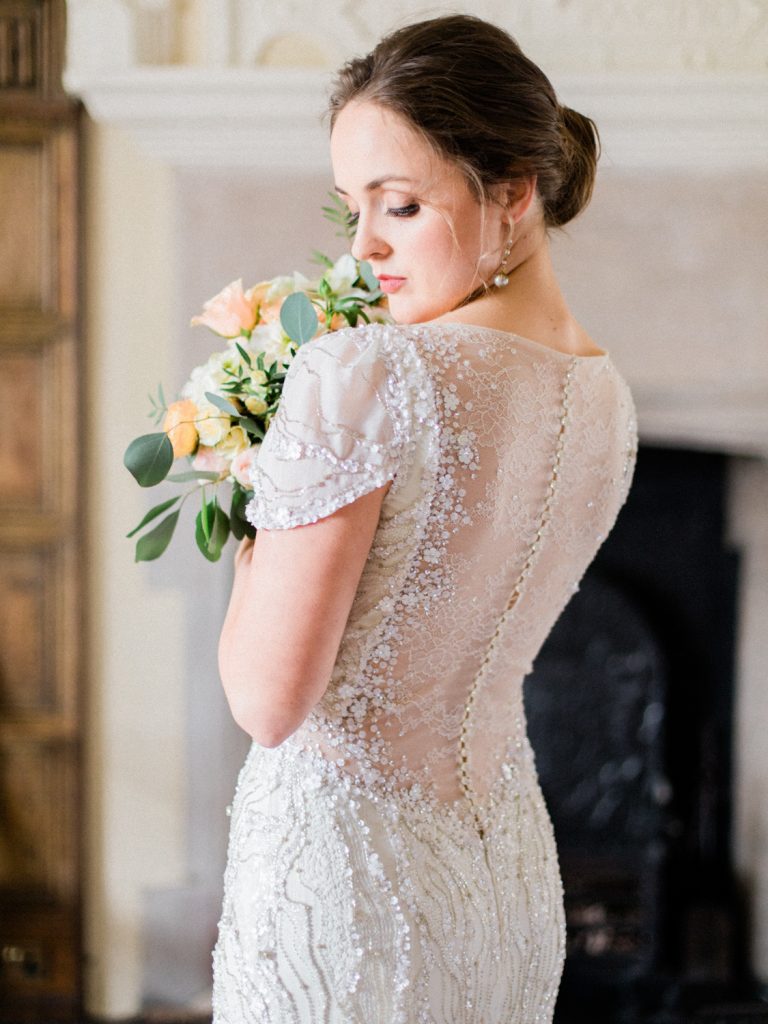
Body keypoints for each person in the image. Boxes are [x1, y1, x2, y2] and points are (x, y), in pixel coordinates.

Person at [212, 13, 637, 1023]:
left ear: (515, 191)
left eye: (399, 205)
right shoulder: (608, 398)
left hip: (345, 895)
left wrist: (253, 531)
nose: (363, 247)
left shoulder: (363, 371)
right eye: (352, 208)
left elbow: (268, 701)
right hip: (506, 888)